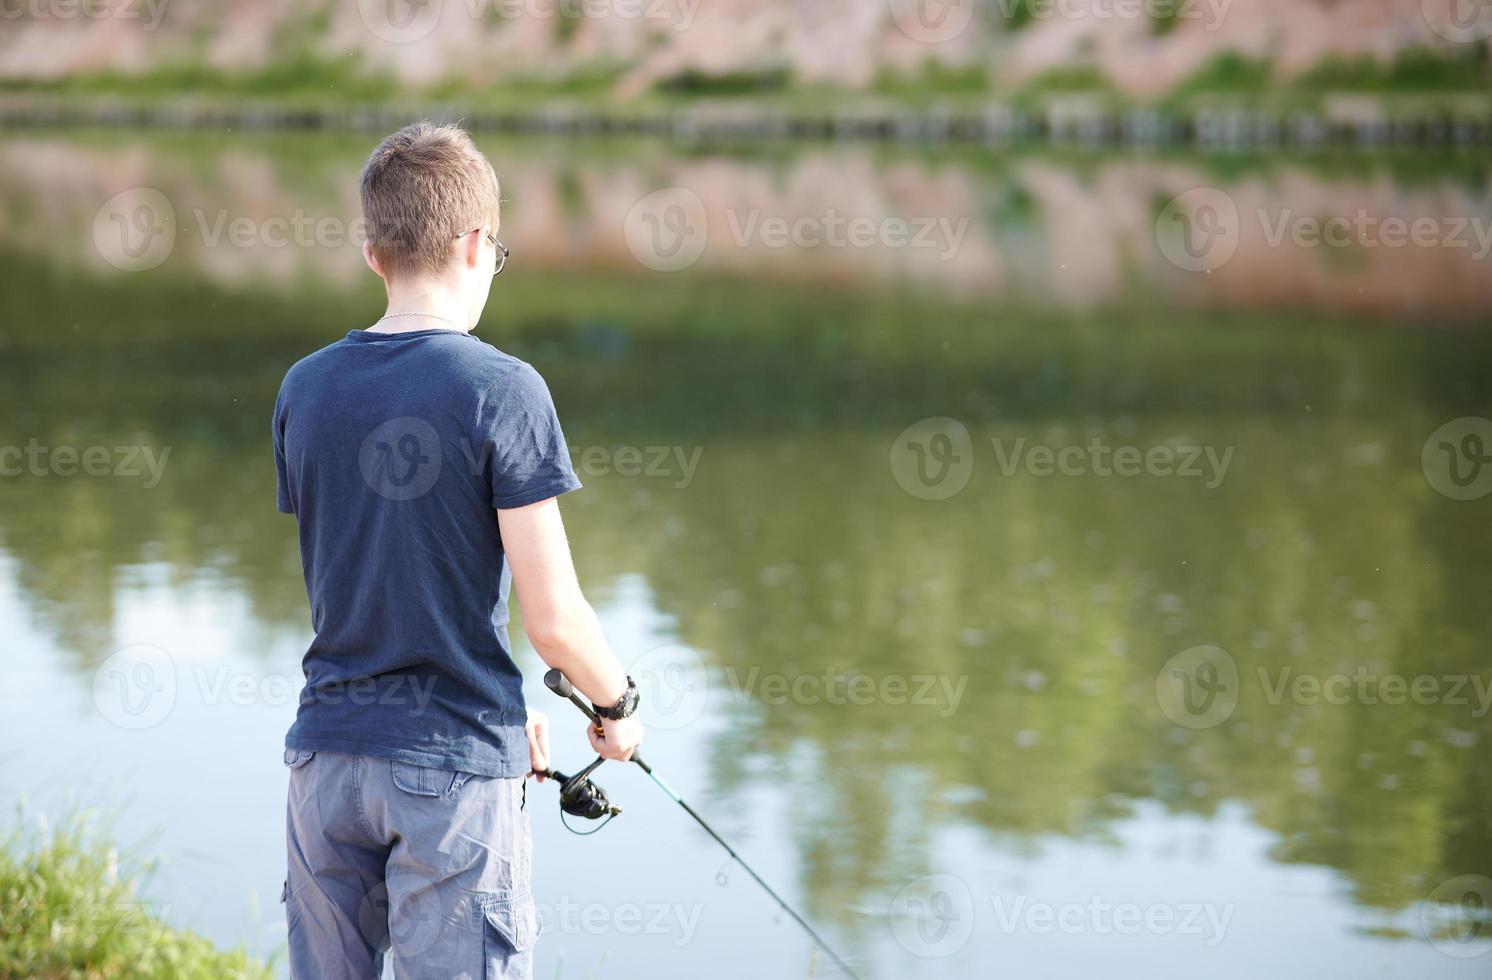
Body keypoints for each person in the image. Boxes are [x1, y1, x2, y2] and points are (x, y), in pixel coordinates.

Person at [271, 121, 643, 979]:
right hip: (449, 772)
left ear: (373, 254)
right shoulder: (503, 390)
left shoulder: (306, 387)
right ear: (478, 243)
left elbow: (370, 575)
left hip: (325, 760)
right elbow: (554, 622)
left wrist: (511, 718)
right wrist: (618, 709)